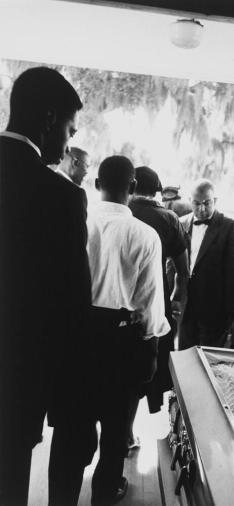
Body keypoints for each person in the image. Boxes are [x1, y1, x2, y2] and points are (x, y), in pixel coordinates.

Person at [0, 67, 92, 506]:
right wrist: (76, 399)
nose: (67, 145)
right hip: (18, 376)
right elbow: (72, 306)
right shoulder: (60, 196)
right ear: (49, 118)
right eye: (69, 130)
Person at [87, 156, 170, 505]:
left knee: (75, 419)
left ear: (96, 184)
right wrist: (150, 351)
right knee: (116, 419)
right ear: (133, 189)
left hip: (77, 336)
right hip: (121, 340)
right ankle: (105, 489)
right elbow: (150, 302)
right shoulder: (144, 235)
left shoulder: (76, 222)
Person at [129, 166, 189, 417]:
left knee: (122, 366)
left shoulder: (124, 212)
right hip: (155, 298)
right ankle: (146, 424)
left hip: (121, 299)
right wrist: (177, 297)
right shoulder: (168, 219)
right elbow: (183, 270)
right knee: (149, 362)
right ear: (156, 191)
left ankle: (126, 429)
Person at [179, 178, 234, 349]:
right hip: (186, 307)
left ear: (215, 201)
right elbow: (172, 264)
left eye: (207, 203)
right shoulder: (181, 223)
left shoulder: (231, 226)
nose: (201, 208)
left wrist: (230, 314)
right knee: (184, 358)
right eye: (196, 203)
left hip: (215, 310)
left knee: (209, 361)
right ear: (190, 201)